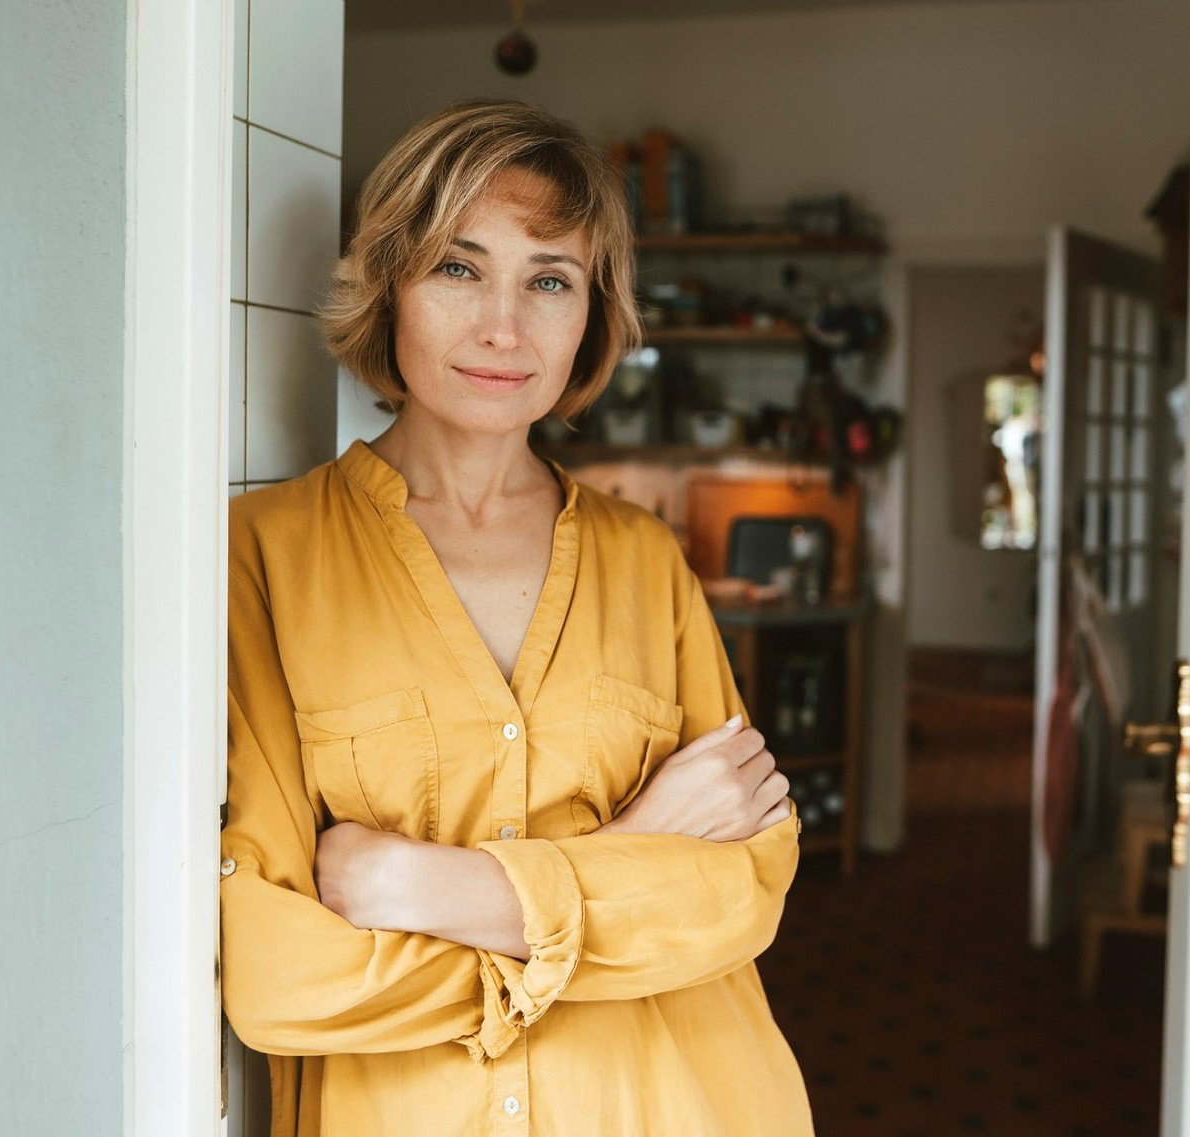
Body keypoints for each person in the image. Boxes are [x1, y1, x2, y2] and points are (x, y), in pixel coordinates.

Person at [219, 99, 813, 1135]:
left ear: (592, 314)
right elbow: (281, 981)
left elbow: (744, 892)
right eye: (458, 268)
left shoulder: (643, 557)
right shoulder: (266, 554)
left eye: (550, 280)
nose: (504, 327)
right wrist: (633, 851)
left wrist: (422, 886)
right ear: (389, 286)